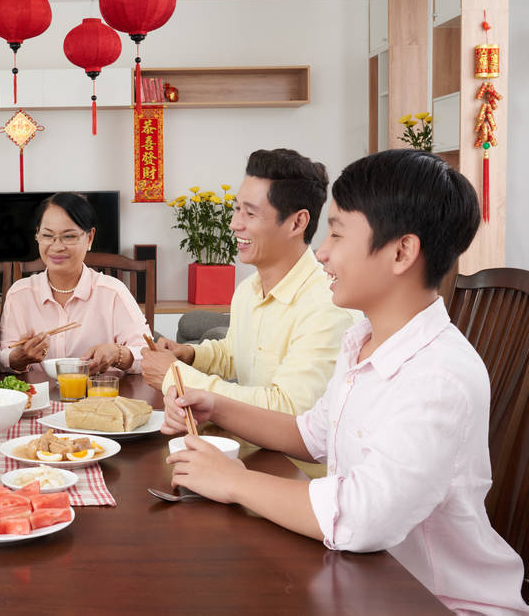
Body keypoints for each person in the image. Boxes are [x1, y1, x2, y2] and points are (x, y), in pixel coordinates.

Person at [163, 150, 528, 614]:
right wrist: (215, 406)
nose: (322, 252)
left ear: (401, 252)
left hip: (437, 600)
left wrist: (235, 481)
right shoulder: (365, 340)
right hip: (368, 579)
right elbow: (313, 433)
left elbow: (361, 515)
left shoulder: (439, 374)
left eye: (336, 233)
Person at [143, 149, 357, 471]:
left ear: (297, 222)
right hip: (247, 454)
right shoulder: (248, 290)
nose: (234, 224)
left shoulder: (328, 305)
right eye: (236, 209)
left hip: (294, 477)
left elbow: (288, 411)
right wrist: (189, 354)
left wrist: (176, 376)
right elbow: (237, 351)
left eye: (250, 214)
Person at [0, 192, 149, 374]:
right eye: (47, 235)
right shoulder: (20, 294)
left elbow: (148, 355)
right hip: (39, 399)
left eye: (69, 237)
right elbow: (3, 358)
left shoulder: (112, 292)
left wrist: (118, 354)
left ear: (90, 238)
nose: (57, 246)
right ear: (37, 235)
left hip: (101, 397)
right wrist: (18, 358)